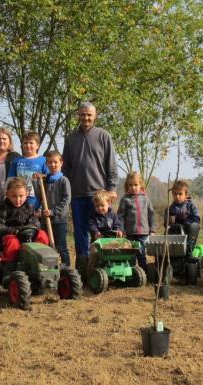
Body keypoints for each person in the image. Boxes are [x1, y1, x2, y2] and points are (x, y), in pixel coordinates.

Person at [61, 101, 118, 276]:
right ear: (78, 115)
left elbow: (111, 164)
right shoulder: (70, 138)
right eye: (83, 114)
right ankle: (82, 265)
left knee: (101, 231)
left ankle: (104, 263)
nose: (86, 118)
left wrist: (112, 188)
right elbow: (66, 167)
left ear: (95, 116)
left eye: (89, 115)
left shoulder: (103, 136)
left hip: (99, 195)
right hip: (77, 194)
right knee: (80, 230)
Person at [0, 177, 50, 266]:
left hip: (28, 236)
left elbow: (36, 223)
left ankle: (42, 261)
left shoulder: (29, 207)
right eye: (14, 196)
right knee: (13, 242)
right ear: (7, 194)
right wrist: (14, 231)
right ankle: (10, 267)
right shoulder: (2, 208)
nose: (18, 199)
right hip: (9, 239)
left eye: (21, 196)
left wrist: (32, 228)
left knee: (42, 234)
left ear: (27, 194)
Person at [34, 150, 71, 266]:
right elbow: (40, 197)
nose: (53, 165)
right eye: (50, 163)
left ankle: (66, 268)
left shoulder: (63, 181)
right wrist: (36, 182)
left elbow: (66, 200)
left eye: (55, 162)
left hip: (59, 220)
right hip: (45, 221)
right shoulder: (44, 180)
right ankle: (49, 267)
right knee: (46, 246)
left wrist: (53, 212)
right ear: (46, 164)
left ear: (61, 163)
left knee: (60, 246)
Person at [117, 172, 155, 269]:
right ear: (127, 186)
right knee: (131, 255)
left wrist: (152, 230)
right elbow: (120, 216)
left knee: (141, 253)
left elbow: (151, 215)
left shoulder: (146, 199)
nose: (133, 187)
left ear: (141, 185)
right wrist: (120, 229)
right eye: (130, 185)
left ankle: (144, 272)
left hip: (143, 233)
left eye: (135, 185)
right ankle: (132, 273)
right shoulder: (125, 200)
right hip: (130, 233)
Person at [8, 131, 48, 209]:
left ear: (37, 146)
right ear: (22, 145)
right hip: (19, 202)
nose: (28, 145)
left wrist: (42, 175)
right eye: (25, 143)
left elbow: (49, 178)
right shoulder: (16, 161)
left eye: (31, 143)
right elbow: (10, 180)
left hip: (37, 202)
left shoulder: (43, 160)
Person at [166, 179, 201, 257]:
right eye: (175, 194)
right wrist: (169, 221)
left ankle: (189, 249)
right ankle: (168, 252)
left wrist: (186, 223)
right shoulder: (170, 208)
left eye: (180, 194)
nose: (177, 196)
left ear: (186, 194)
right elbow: (166, 223)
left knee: (195, 225)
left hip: (188, 228)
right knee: (168, 229)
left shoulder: (190, 205)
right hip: (175, 230)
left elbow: (196, 218)